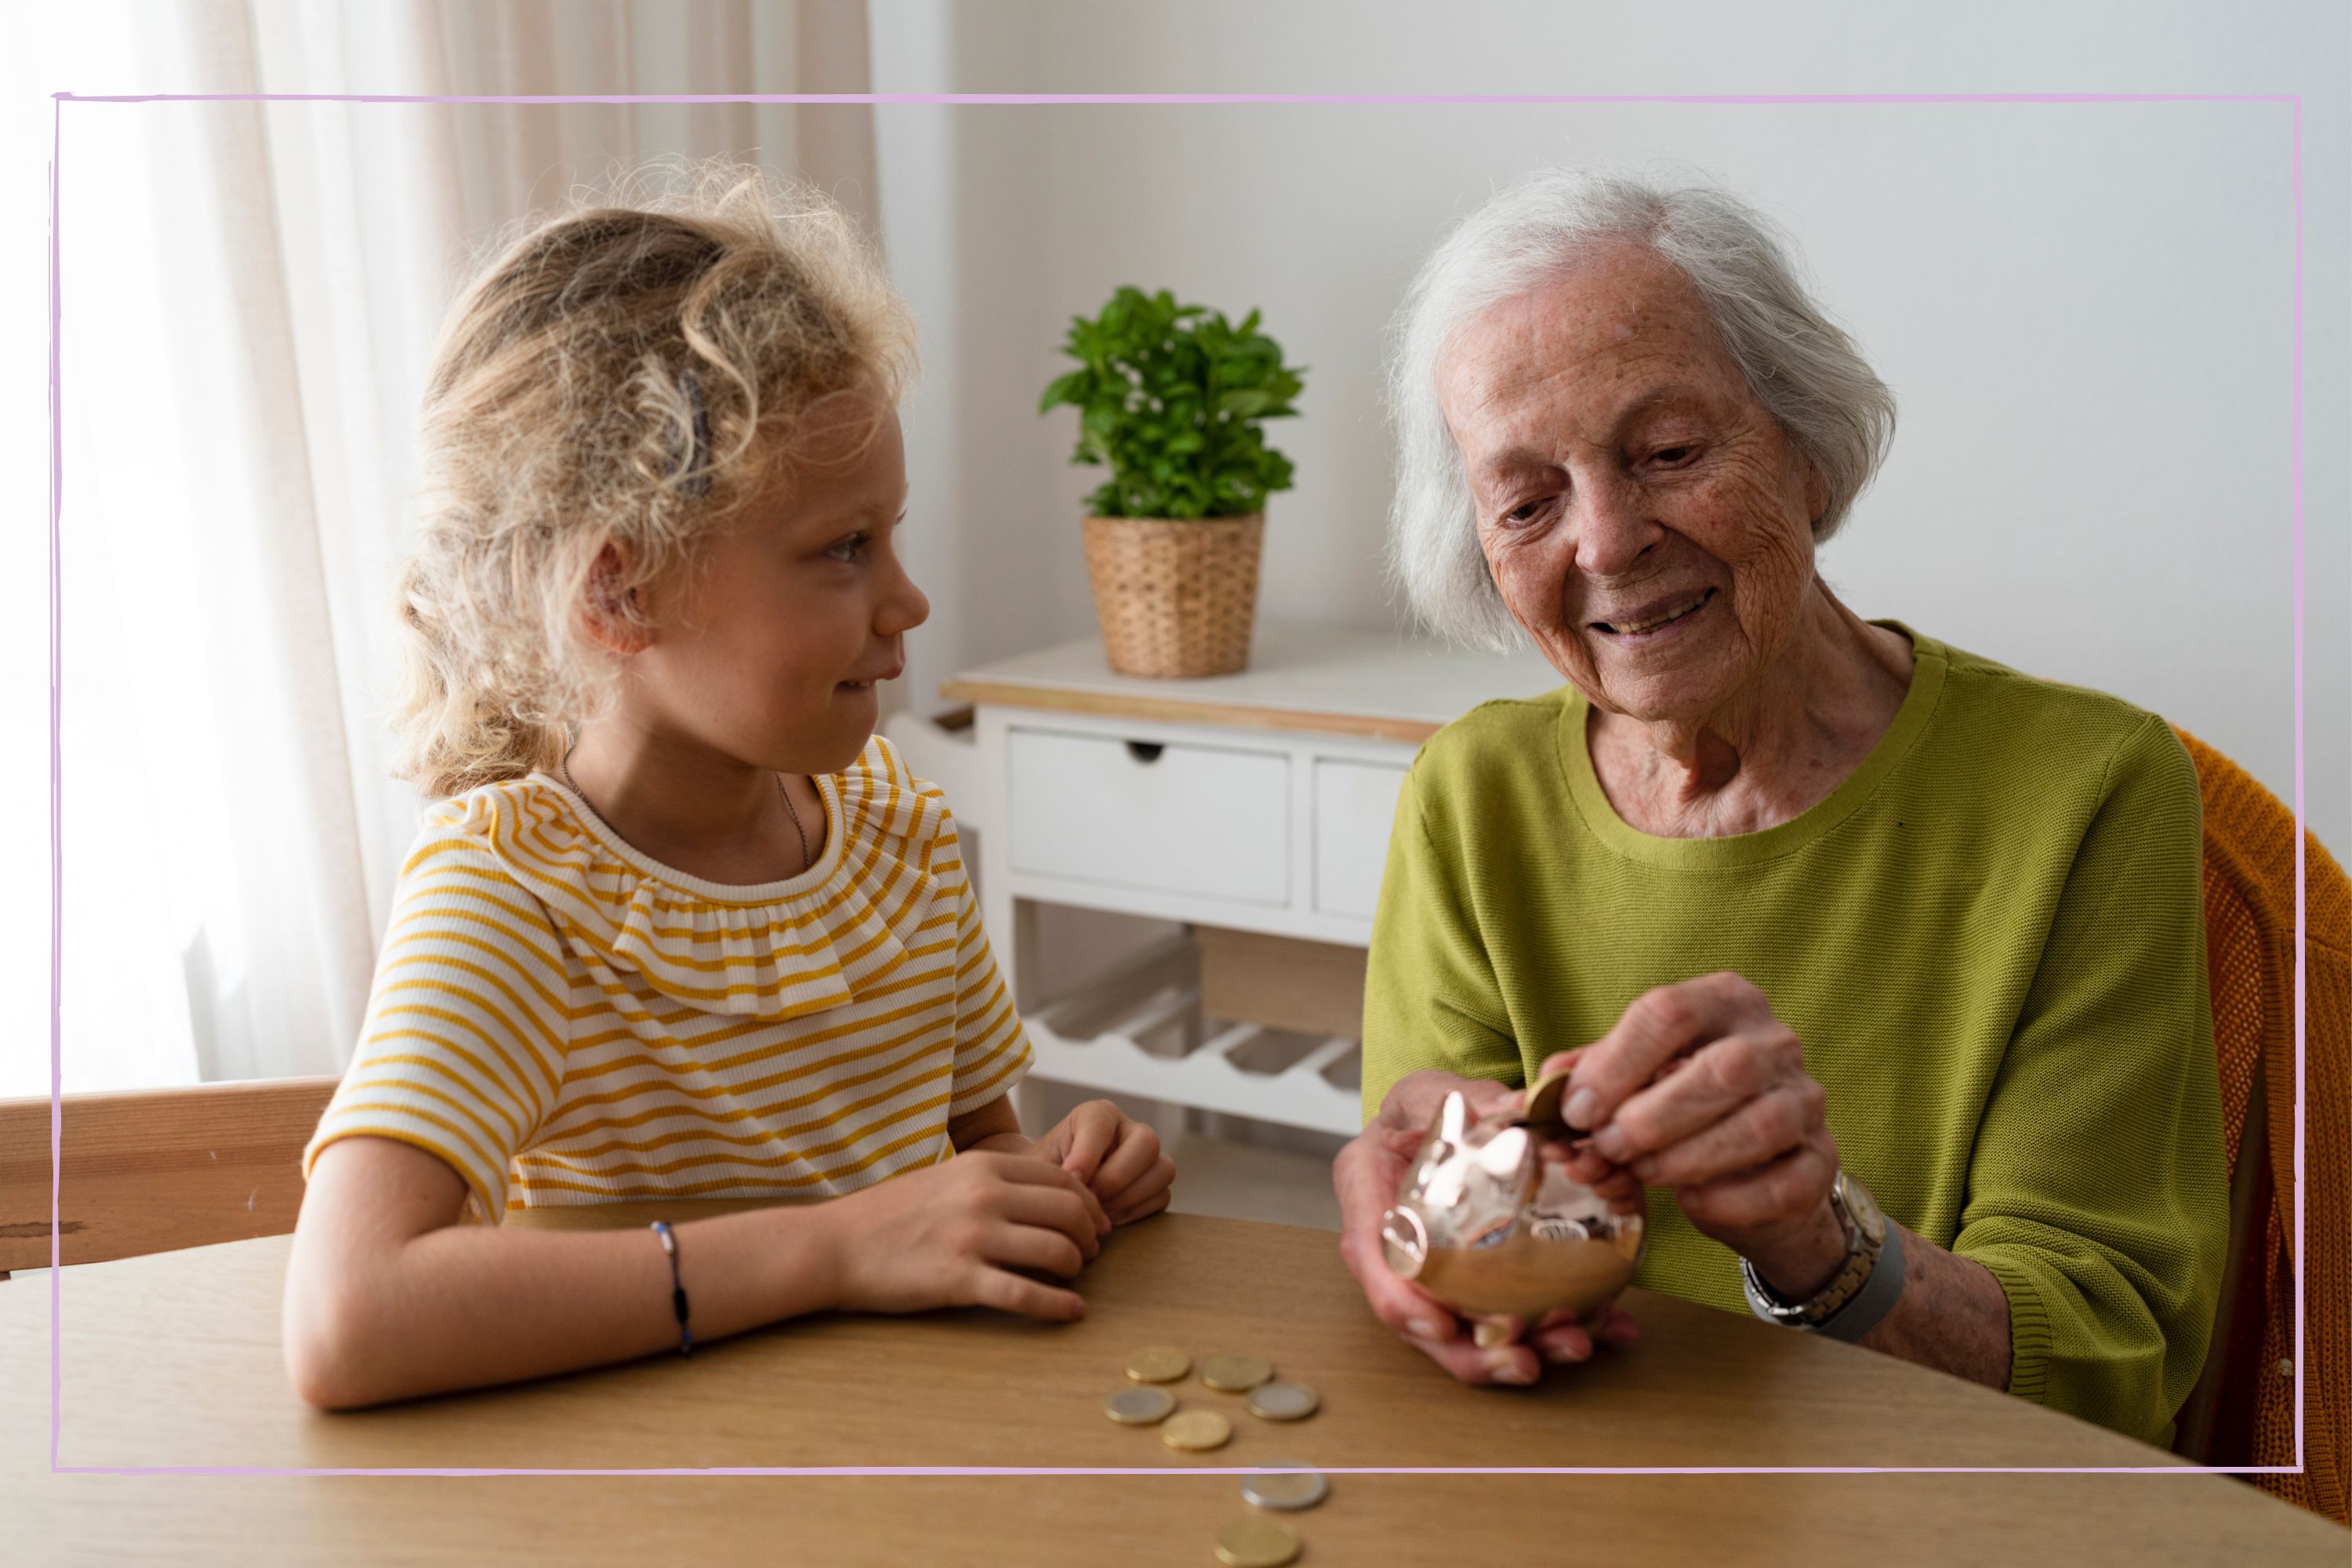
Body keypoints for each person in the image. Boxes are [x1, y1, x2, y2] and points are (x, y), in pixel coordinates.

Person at [1334, 168, 2227, 1447]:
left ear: (1807, 448)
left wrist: (1821, 1244)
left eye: (1669, 454)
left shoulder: (2086, 794)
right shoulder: (1471, 798)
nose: (1605, 541)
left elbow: (2104, 1362)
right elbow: (1466, 1237)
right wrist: (1432, 1216)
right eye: (1528, 500)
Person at [284, 165, 1174, 1411]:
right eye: (845, 550)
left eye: (893, 533)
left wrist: (1065, 1184)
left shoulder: (899, 840)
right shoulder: (513, 896)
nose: (909, 601)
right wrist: (835, 1248)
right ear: (620, 593)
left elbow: (980, 1166)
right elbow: (348, 1321)